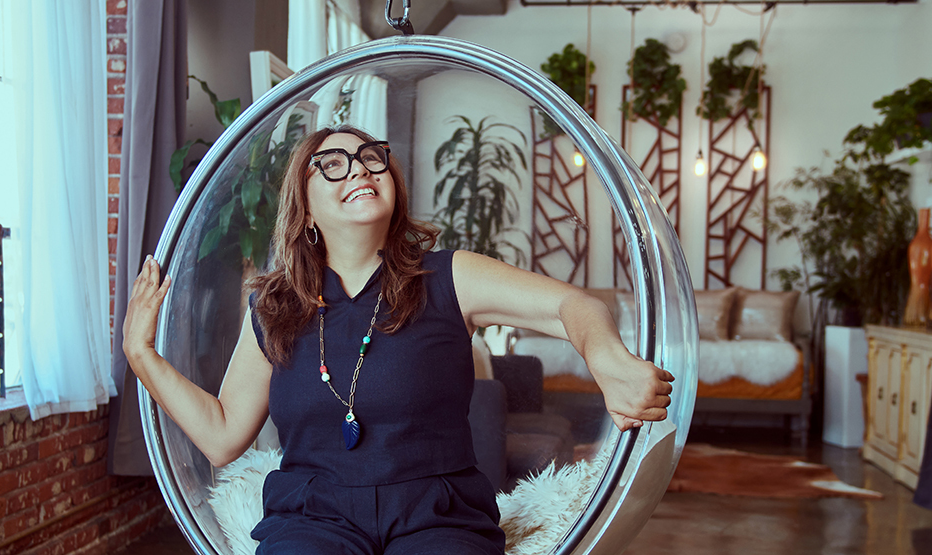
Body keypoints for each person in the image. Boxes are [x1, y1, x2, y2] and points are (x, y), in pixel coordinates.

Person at [123, 125, 674, 555]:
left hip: (439, 515)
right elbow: (221, 436)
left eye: (370, 158)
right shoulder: (273, 307)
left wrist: (607, 358)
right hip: (312, 518)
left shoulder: (450, 276)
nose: (358, 170)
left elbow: (572, 305)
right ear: (305, 207)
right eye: (331, 165)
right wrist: (141, 354)